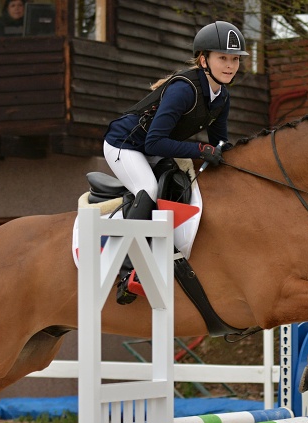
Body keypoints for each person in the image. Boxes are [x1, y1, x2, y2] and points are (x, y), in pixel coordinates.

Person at [103, 20, 248, 304]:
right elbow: (153, 143)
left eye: (235, 59)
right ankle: (126, 271)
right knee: (148, 187)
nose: (230, 65)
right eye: (223, 58)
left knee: (180, 185)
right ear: (204, 60)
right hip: (125, 144)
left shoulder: (222, 97)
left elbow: (219, 144)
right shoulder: (184, 90)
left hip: (152, 147)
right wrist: (200, 149)